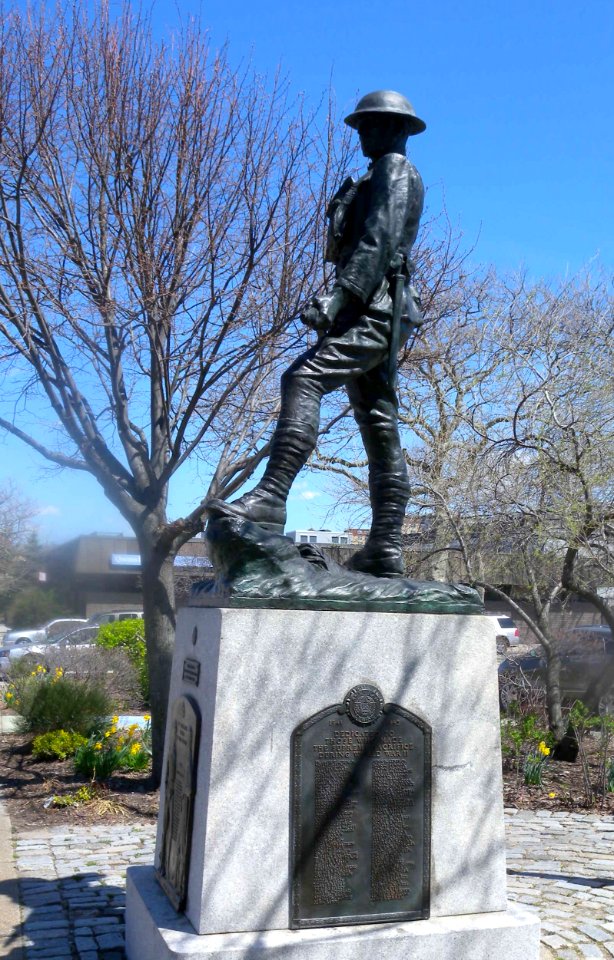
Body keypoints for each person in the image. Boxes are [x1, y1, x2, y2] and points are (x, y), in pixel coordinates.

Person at [208, 90, 426, 578]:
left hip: (374, 308)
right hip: (378, 309)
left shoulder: (394, 170)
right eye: (360, 126)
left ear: (395, 130)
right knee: (378, 422)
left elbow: (378, 240)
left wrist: (339, 297)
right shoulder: (378, 174)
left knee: (302, 379)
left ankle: (271, 499)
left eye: (371, 126)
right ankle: (385, 548)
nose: (362, 134)